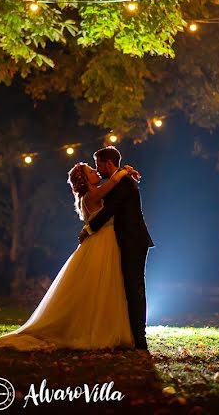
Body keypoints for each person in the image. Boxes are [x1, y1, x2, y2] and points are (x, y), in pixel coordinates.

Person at [0, 159, 141, 351]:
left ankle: (108, 327)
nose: (96, 172)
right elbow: (113, 184)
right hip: (101, 242)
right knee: (98, 284)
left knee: (106, 285)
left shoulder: (94, 193)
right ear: (84, 180)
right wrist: (124, 171)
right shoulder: (91, 195)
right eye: (91, 171)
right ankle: (94, 329)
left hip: (107, 240)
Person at [79, 146, 154, 350]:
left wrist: (89, 229)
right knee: (127, 287)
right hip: (124, 240)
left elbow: (110, 210)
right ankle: (130, 333)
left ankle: (140, 338)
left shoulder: (124, 184)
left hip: (133, 241)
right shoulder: (118, 181)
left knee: (134, 288)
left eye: (98, 165)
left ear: (109, 164)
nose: (98, 170)